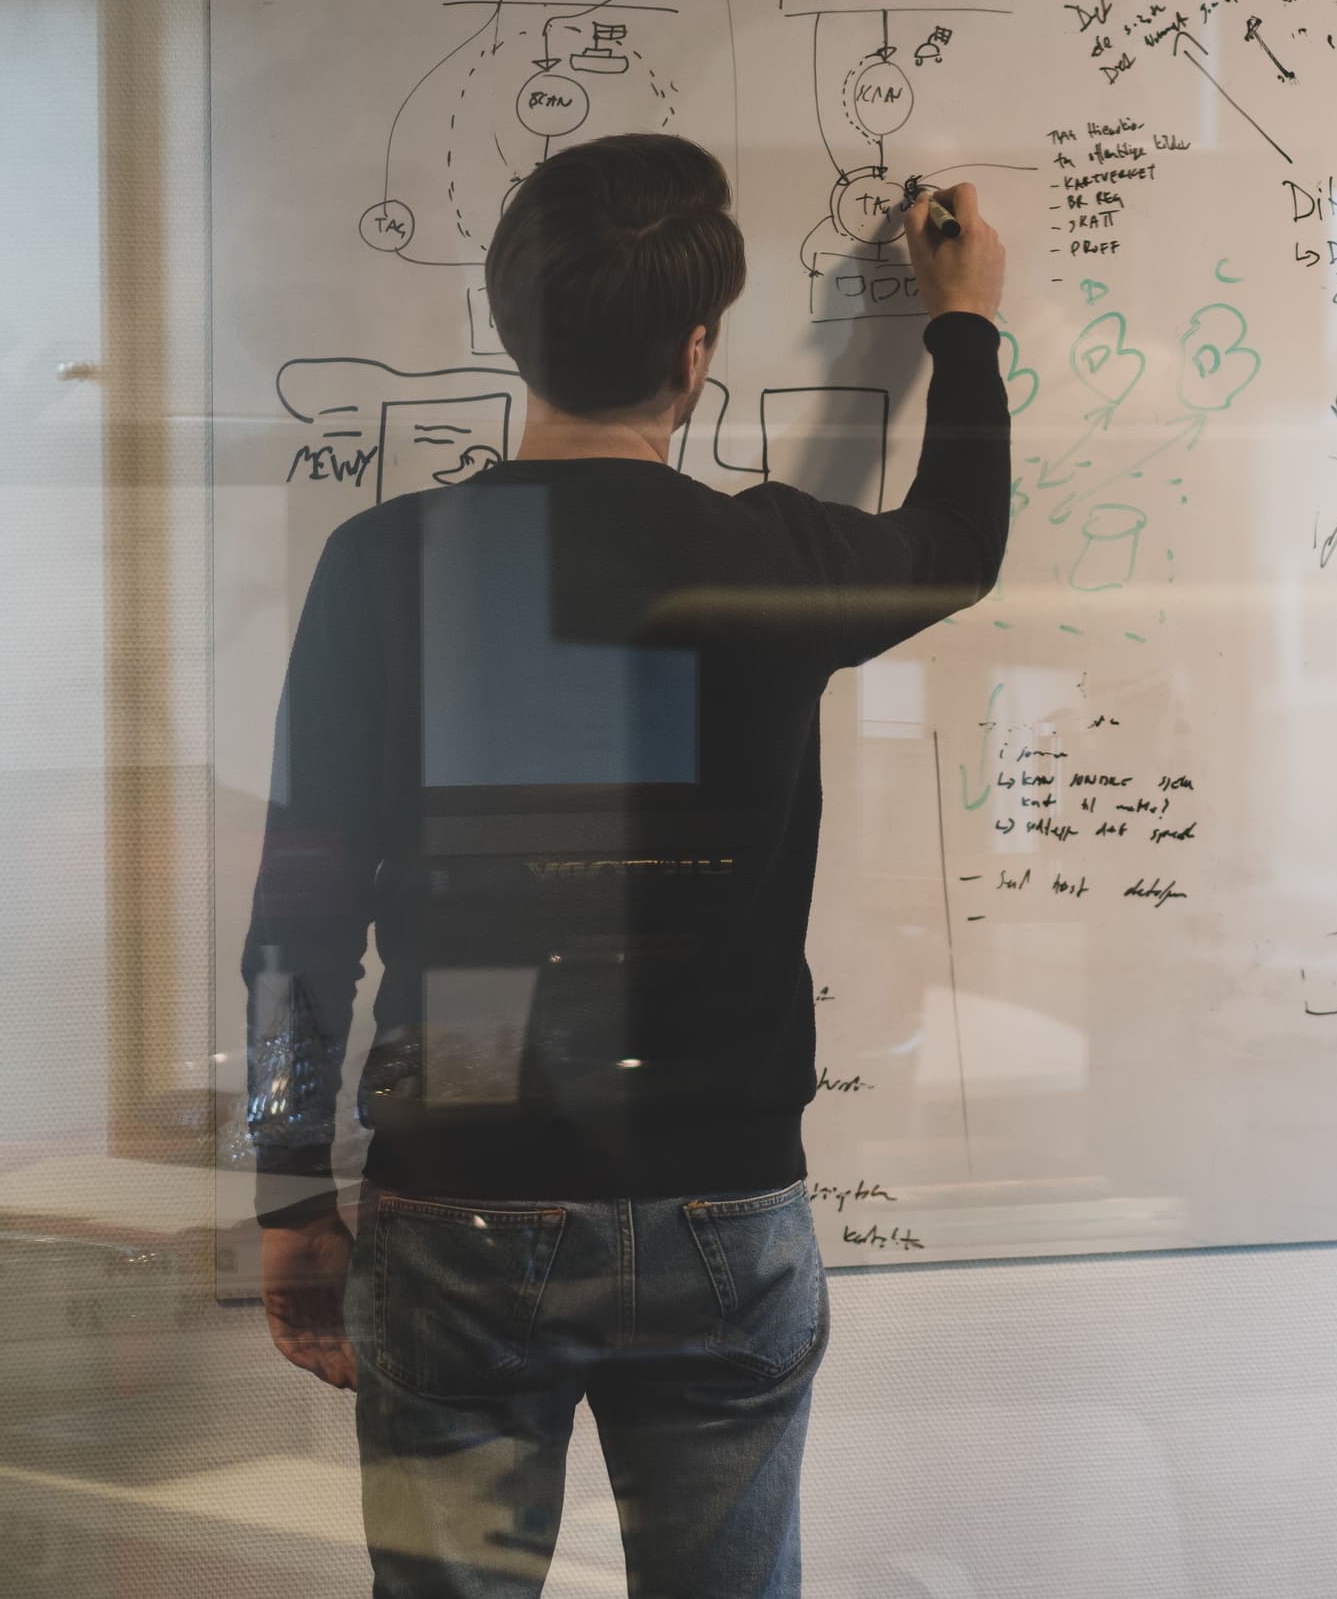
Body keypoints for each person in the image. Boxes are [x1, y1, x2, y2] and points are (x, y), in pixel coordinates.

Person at [242, 132, 1010, 1598]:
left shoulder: (384, 568)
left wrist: (285, 1190)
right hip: (727, 1199)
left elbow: (302, 914)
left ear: (511, 330)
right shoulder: (768, 560)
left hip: (458, 1189)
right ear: (697, 348)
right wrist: (960, 320)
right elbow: (960, 540)